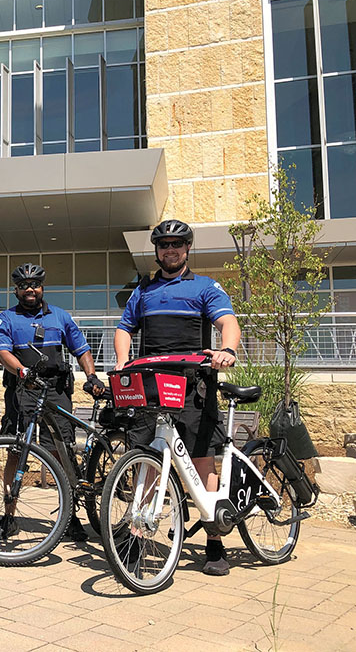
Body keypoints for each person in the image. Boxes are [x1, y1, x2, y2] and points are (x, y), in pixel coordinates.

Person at [114, 219, 240, 576]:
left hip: (193, 385)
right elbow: (125, 328)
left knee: (202, 462)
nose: (170, 250)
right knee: (146, 462)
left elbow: (227, 321)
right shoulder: (144, 290)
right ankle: (137, 537)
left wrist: (227, 349)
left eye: (177, 244)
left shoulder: (204, 286)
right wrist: (123, 362)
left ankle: (215, 541)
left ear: (187, 249)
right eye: (164, 245)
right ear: (157, 251)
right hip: (150, 384)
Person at [0, 262, 106, 543]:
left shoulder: (60, 317)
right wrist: (22, 371)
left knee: (60, 453)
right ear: (16, 290)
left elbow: (82, 348)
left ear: (42, 288)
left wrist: (91, 376)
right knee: (16, 452)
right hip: (23, 389)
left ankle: (70, 518)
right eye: (23, 286)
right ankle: (10, 516)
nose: (30, 289)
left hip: (56, 390)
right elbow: (2, 352)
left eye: (35, 285)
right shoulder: (6, 318)